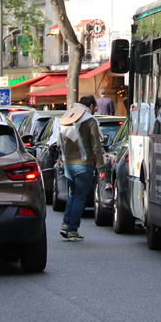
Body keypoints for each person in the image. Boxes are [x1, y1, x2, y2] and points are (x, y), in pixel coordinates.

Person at [58, 95, 103, 241]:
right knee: (79, 197)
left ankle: (66, 224)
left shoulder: (67, 119)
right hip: (84, 165)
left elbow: (59, 143)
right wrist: (101, 168)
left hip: (68, 164)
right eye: (95, 106)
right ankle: (72, 230)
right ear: (90, 106)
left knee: (73, 194)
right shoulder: (90, 121)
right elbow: (96, 146)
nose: (96, 109)